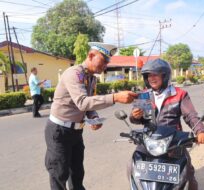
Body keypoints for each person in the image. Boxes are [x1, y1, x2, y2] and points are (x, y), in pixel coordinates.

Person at [45, 42, 137, 190]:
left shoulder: (91, 78)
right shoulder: (74, 73)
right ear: (91, 55)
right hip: (59, 131)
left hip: (76, 132)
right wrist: (115, 97)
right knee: (59, 174)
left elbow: (88, 105)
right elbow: (82, 102)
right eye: (104, 61)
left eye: (108, 62)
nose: (105, 66)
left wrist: (93, 116)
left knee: (77, 174)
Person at [130, 58, 204, 190]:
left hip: (174, 141)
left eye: (155, 74)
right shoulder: (143, 95)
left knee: (188, 174)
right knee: (133, 166)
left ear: (165, 75)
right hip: (148, 140)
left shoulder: (179, 94)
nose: (151, 78)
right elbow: (134, 119)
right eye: (148, 75)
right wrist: (134, 116)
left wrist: (201, 131)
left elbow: (190, 115)